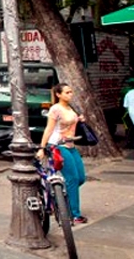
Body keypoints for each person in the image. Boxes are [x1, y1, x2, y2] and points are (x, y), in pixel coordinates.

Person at [39, 83, 87, 224]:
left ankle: (59, 196)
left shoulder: (71, 108)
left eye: (71, 92)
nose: (70, 94)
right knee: (72, 178)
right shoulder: (55, 109)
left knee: (80, 178)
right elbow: (48, 129)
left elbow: (71, 124)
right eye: (67, 92)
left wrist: (80, 120)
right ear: (58, 94)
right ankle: (74, 214)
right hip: (59, 146)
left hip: (71, 145)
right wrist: (42, 148)